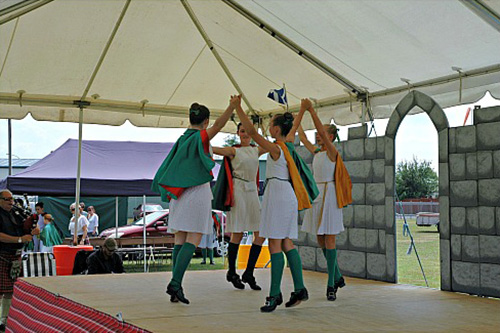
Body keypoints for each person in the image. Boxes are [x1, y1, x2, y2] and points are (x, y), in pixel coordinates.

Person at [151, 95, 240, 305]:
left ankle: (177, 286)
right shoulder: (201, 138)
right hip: (197, 193)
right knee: (194, 238)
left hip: (179, 195)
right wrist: (232, 106)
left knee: (179, 240)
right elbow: (219, 125)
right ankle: (174, 283)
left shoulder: (182, 140)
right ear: (205, 122)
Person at [235, 99, 318, 312]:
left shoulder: (276, 148)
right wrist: (301, 110)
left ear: (277, 129)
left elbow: (253, 133)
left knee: (274, 244)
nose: (268, 127)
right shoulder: (287, 143)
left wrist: (238, 108)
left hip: (278, 195)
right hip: (284, 195)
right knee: (286, 242)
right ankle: (299, 288)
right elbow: (294, 126)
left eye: (271, 124)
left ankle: (274, 295)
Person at [298, 99, 352, 301]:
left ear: (329, 136)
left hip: (330, 196)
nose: (317, 135)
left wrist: (312, 111)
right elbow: (302, 137)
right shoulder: (318, 152)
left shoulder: (331, 151)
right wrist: (299, 115)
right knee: (320, 238)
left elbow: (320, 129)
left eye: (322, 133)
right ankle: (337, 275)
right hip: (318, 195)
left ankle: (331, 285)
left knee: (329, 238)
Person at [212, 123, 267, 290]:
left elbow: (270, 144)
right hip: (238, 190)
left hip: (252, 191)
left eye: (248, 131)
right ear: (237, 133)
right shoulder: (233, 150)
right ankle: (232, 271)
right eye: (242, 131)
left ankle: (249, 272)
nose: (245, 134)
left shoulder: (256, 149)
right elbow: (214, 149)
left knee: (261, 233)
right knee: (237, 232)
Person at [0, 189, 40, 329]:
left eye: (11, 199)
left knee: (10, 290)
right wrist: (19, 239)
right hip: (2, 254)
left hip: (15, 256)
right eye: (7, 199)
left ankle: (4, 320)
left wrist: (33, 229)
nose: (11, 202)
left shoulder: (16, 212)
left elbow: (26, 225)